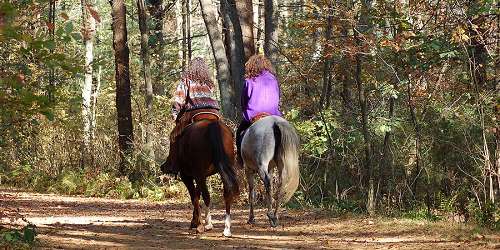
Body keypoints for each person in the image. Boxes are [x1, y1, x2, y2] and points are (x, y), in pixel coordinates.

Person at [163, 57, 220, 175]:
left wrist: (175, 113)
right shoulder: (209, 82)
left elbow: (179, 99)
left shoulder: (186, 80)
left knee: (174, 136)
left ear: (191, 67)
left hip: (194, 111)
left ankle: (173, 166)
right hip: (213, 112)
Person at [236, 54, 282, 164]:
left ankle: (241, 160)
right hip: (274, 116)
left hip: (254, 116)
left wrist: (245, 112)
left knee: (239, 133)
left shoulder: (249, 81)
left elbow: (243, 101)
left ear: (252, 66)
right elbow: (278, 97)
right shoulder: (273, 79)